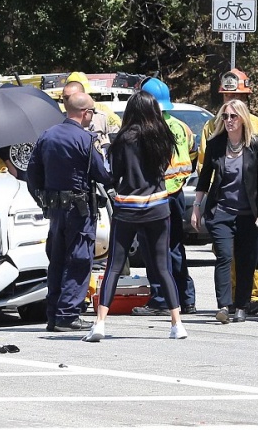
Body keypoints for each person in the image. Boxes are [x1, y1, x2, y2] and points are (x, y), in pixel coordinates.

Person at [83, 91, 187, 342]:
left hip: (128, 206)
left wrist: (106, 150)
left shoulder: (123, 140)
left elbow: (112, 175)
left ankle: (100, 323)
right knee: (163, 267)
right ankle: (177, 323)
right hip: (158, 206)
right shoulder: (163, 137)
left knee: (114, 267)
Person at [27, 91, 113, 332]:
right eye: (92, 112)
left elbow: (32, 175)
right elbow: (103, 174)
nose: (92, 117)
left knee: (56, 260)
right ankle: (67, 315)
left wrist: (43, 201)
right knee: (79, 260)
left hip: (55, 211)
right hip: (80, 211)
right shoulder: (86, 140)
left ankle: (53, 315)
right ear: (85, 113)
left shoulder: (47, 135)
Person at [191, 99, 258, 324]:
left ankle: (242, 306)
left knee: (247, 260)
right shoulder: (216, 144)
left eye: (233, 117)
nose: (228, 121)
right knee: (224, 256)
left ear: (243, 118)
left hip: (250, 214)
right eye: (224, 117)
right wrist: (197, 207)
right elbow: (205, 178)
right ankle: (224, 305)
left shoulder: (256, 145)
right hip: (221, 211)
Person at [131, 77, 196, 316]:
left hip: (156, 196)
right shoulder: (181, 126)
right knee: (176, 248)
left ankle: (160, 299)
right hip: (177, 194)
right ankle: (186, 298)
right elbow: (193, 154)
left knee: (153, 250)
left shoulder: (150, 130)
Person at [61, 79, 120, 149]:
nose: (70, 101)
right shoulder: (58, 119)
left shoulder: (102, 118)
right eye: (66, 98)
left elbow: (117, 142)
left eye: (74, 96)